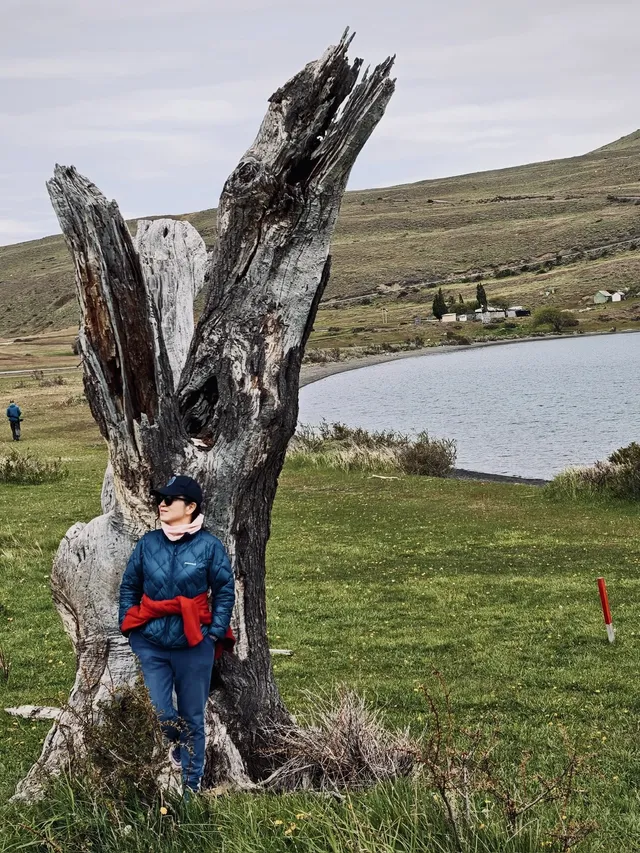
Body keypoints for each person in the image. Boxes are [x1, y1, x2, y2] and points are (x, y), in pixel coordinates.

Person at [118, 475, 235, 793]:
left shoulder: (209, 546)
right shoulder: (148, 543)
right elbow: (130, 586)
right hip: (151, 643)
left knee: (193, 717)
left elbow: (225, 590)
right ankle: (175, 742)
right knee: (162, 712)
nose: (162, 504)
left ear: (191, 506)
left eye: (170, 499)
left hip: (195, 643)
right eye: (161, 499)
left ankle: (191, 787)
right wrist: (131, 631)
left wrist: (214, 634)